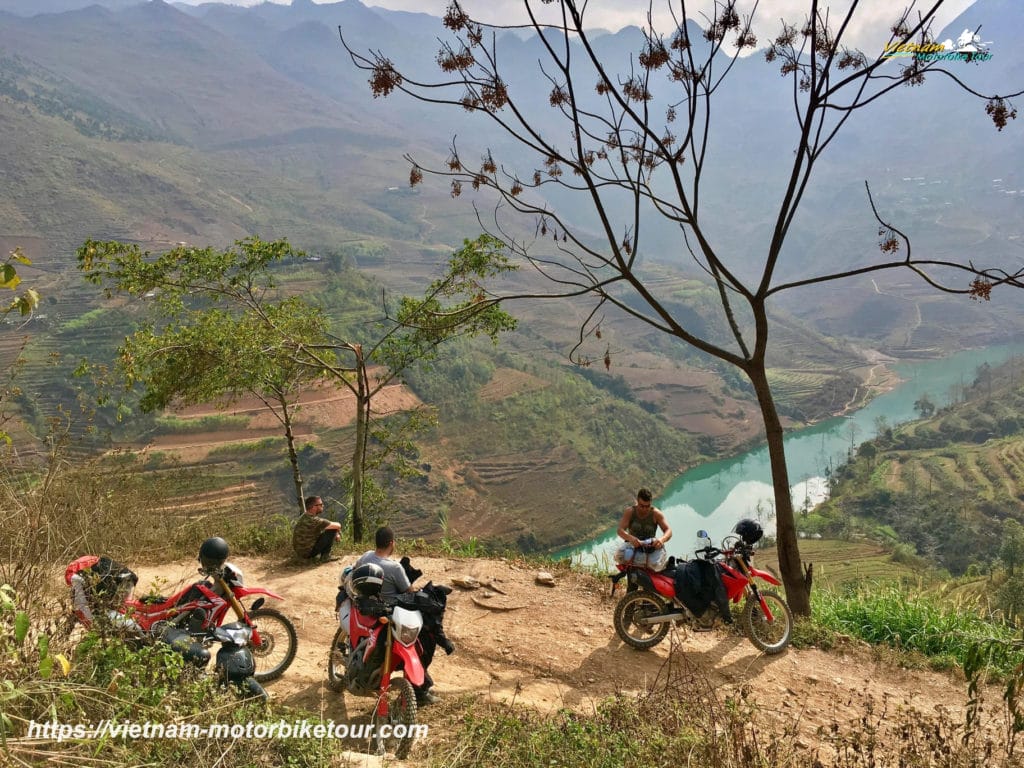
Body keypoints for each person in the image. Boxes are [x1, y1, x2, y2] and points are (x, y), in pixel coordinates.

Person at [353, 526, 451, 706]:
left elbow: (355, 570)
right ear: (391, 543)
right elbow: (408, 591)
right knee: (426, 642)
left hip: (369, 609)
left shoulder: (366, 556)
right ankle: (420, 689)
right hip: (392, 614)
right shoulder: (395, 568)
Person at [615, 487, 673, 571]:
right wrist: (630, 538)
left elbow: (668, 530)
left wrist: (661, 540)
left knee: (657, 565)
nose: (645, 509)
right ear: (637, 501)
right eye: (642, 506)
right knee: (618, 556)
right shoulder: (630, 512)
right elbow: (620, 530)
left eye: (647, 506)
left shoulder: (656, 514)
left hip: (650, 547)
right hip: (632, 545)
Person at [292, 495, 341, 564]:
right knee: (332, 530)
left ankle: (323, 556)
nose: (323, 506)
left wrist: (337, 532)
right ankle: (325, 557)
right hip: (308, 553)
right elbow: (338, 525)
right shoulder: (314, 520)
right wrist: (336, 533)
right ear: (314, 507)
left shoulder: (304, 516)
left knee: (331, 528)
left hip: (301, 552)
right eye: (320, 504)